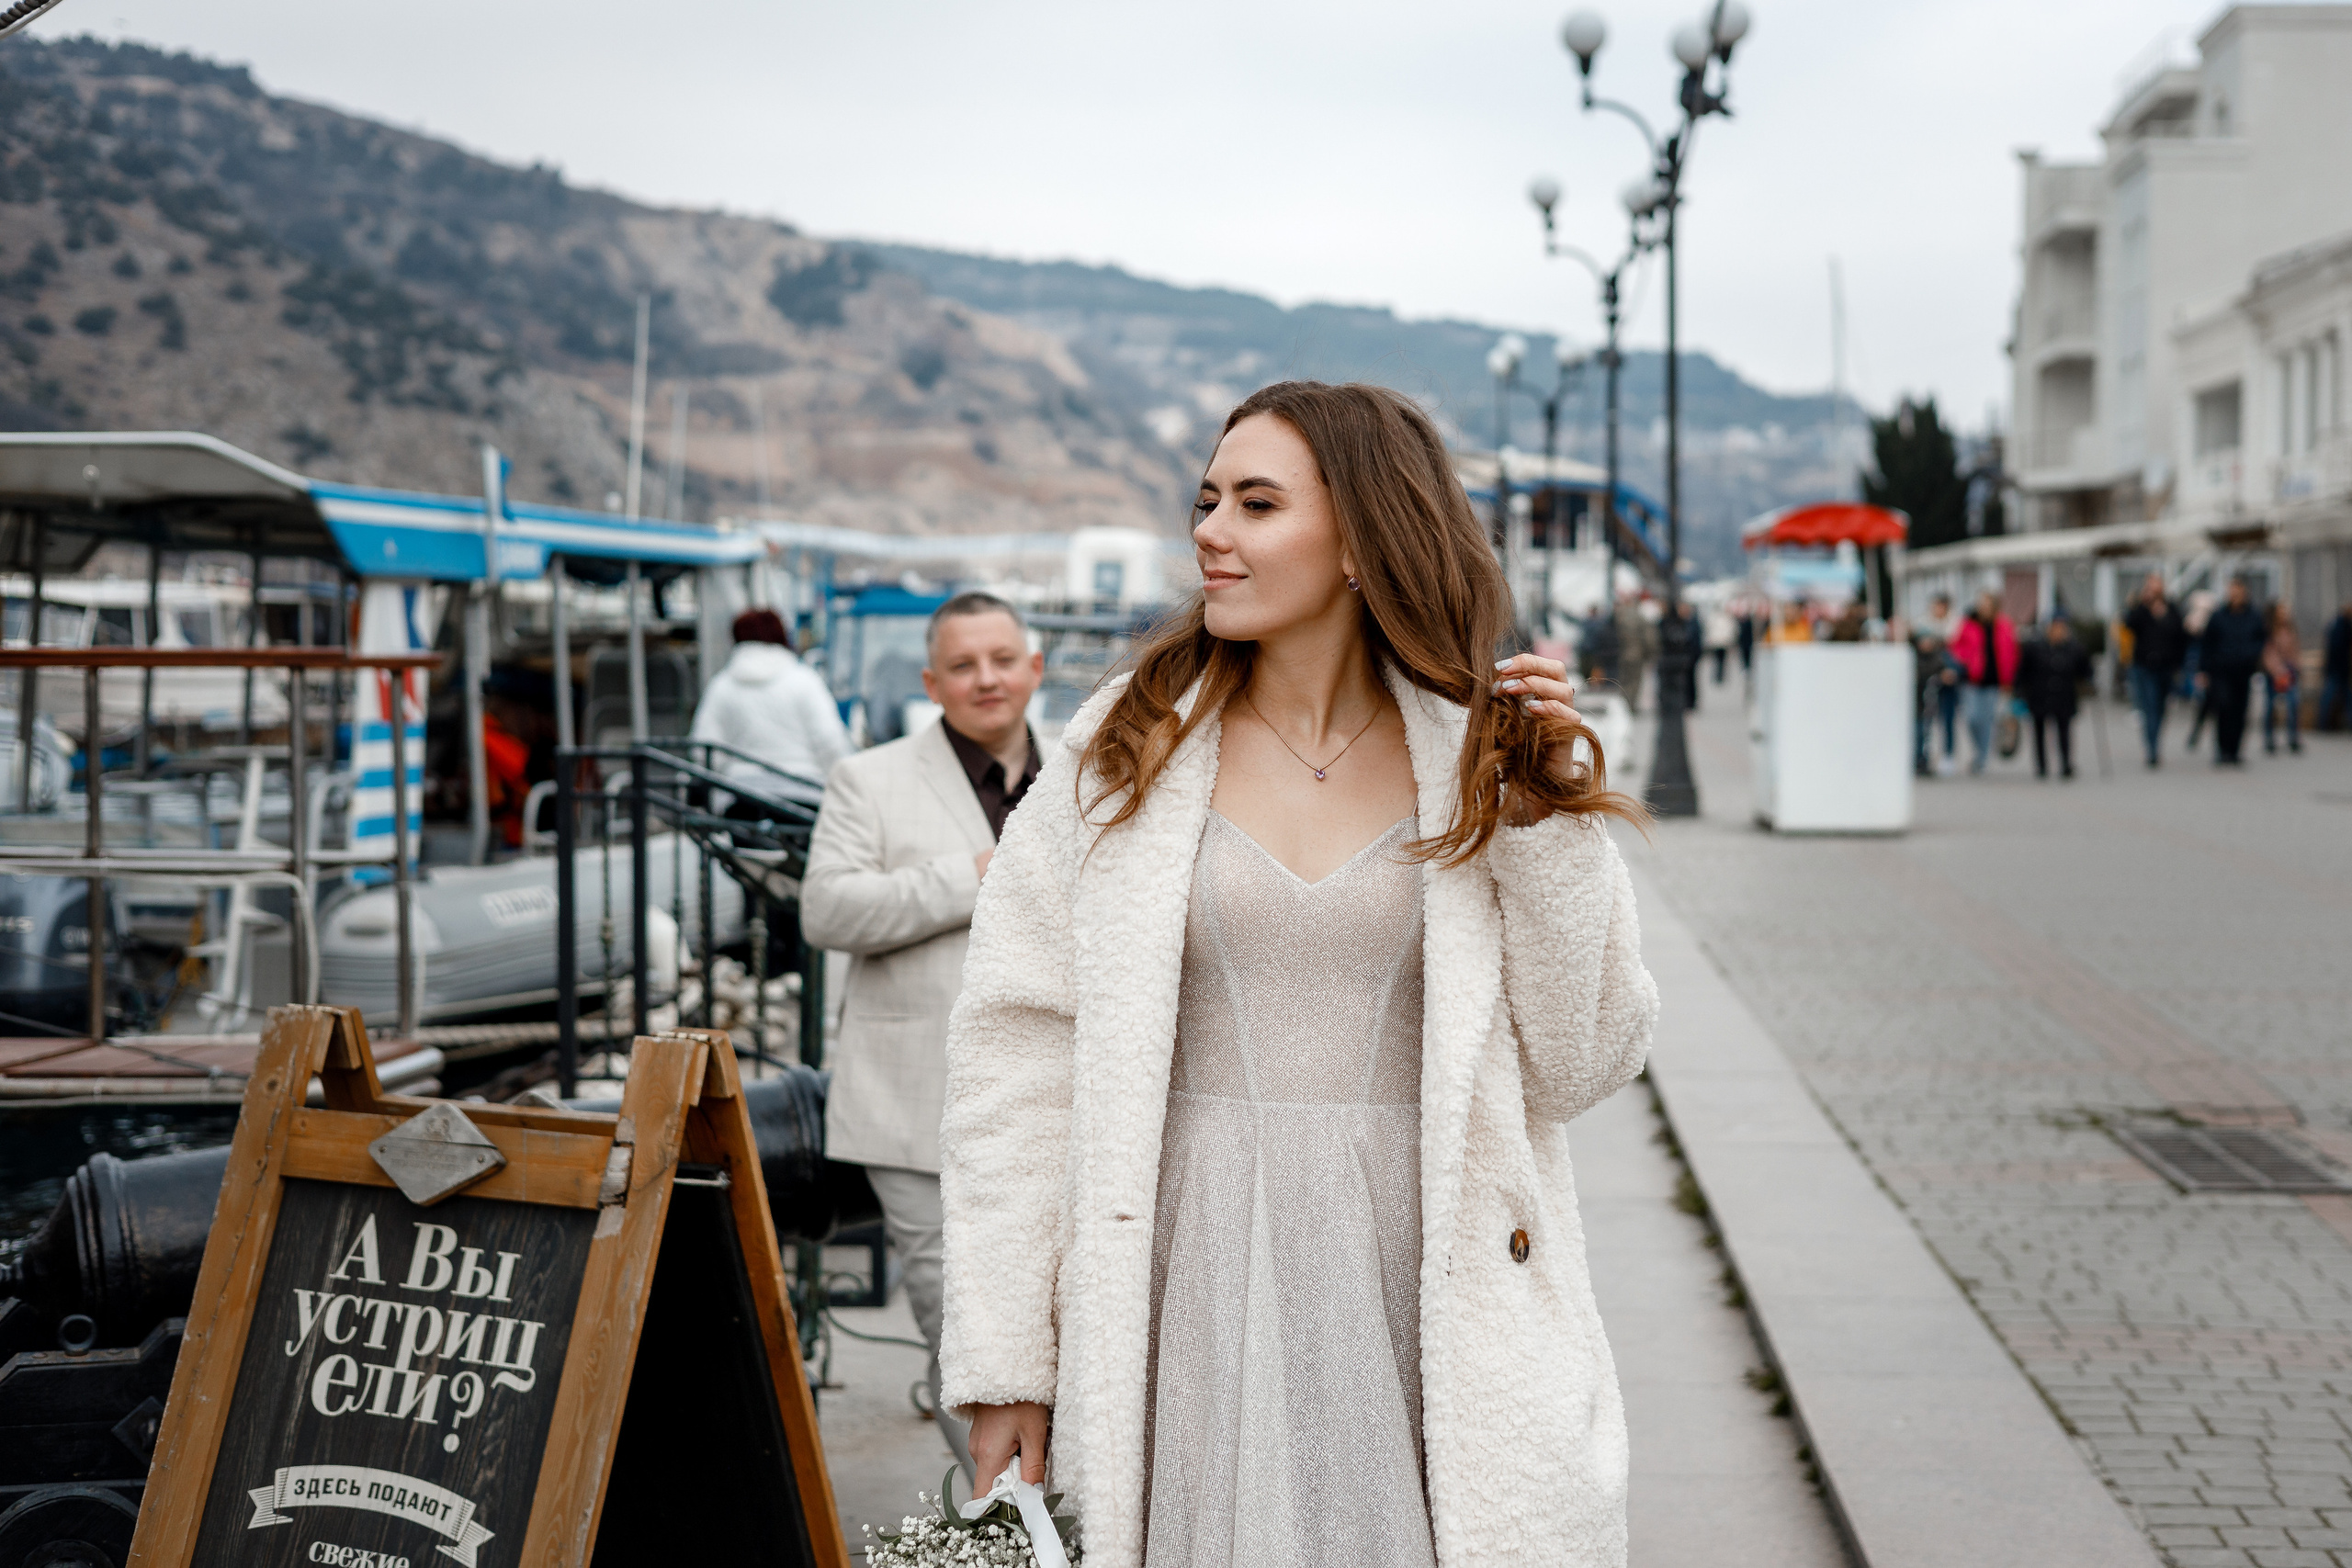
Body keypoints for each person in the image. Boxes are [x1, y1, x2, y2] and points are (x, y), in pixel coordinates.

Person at [940, 382, 1657, 1568]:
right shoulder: (1127, 742)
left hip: (1421, 1273)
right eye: (1208, 498)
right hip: (1179, 1267)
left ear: (1366, 536)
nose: (1211, 529)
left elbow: (1584, 1057)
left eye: (1257, 502)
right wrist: (1009, 1357)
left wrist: (1542, 823)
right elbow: (1016, 1051)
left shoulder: (1477, 749)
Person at [800, 590, 1046, 1484]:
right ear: (931, 680)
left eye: (1001, 659)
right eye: (964, 665)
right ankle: (1020, 1530)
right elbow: (826, 908)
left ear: (1034, 669)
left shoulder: (1086, 776)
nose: (986, 679)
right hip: (914, 1108)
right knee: (960, 1332)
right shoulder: (869, 778)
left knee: (1054, 1335)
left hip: (1053, 1107)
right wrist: (971, 875)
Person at [689, 608, 853, 794]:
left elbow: (704, 752)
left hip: (742, 798)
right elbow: (831, 743)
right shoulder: (805, 681)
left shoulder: (722, 686)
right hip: (804, 793)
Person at [2196, 577, 2267, 766]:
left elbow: (2260, 640)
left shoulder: (2253, 616)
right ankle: (2222, 750)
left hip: (2243, 671)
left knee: (2239, 711)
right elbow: (2207, 644)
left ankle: (2235, 751)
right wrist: (2203, 670)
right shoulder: (2219, 616)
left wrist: (2251, 655)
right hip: (2221, 670)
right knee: (2224, 708)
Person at [1946, 590, 2018, 773]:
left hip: (1994, 680)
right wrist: (1966, 661)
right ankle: (1979, 750)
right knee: (1971, 717)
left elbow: (2011, 652)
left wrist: (2009, 679)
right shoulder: (1968, 623)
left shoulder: (2003, 625)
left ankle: (1982, 758)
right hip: (1971, 679)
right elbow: (1955, 647)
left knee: (1987, 720)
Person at [2121, 573, 2188, 767]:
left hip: (2167, 667)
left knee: (2161, 708)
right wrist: (2142, 604)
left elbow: (2180, 635)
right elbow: (2129, 624)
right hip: (2145, 666)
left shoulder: (2172, 608)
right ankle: (2152, 749)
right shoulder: (2141, 609)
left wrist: (2179, 664)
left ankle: (2155, 740)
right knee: (2149, 706)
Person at [2017, 616, 2089, 779]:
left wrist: (2090, 680)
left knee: (2064, 731)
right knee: (2039, 731)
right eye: (2055, 627)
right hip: (2039, 695)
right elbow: (2023, 671)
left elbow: (2084, 670)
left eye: (2062, 628)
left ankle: (2066, 764)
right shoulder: (2034, 647)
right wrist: (2020, 692)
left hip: (2064, 696)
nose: (2058, 631)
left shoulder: (2074, 648)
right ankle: (2041, 766)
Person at [1924, 593, 1962, 766]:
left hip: (1948, 676)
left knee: (1947, 717)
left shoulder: (1956, 625)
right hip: (1930, 676)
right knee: (1928, 716)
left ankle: (1948, 753)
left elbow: (1959, 653)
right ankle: (1927, 752)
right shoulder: (1924, 624)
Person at [2261, 601, 2302, 754]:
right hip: (2274, 673)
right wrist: (2277, 669)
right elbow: (2268, 653)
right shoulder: (2270, 630)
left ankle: (2293, 737)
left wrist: (2297, 666)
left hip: (2290, 671)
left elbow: (2295, 650)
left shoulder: (2291, 630)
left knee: (2293, 704)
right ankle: (2269, 738)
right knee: (2271, 706)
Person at [1613, 590, 1657, 712]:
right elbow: (1649, 638)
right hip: (1636, 654)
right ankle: (1631, 705)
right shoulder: (1639, 616)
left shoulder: (1619, 616)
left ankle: (1624, 705)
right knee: (1635, 681)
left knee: (1623, 680)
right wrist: (1650, 653)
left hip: (1621, 653)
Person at [2323, 602, 2352, 732]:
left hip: (2341, 668)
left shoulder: (2342, 624)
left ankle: (2323, 723)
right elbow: (2336, 648)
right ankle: (2322, 723)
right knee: (2330, 696)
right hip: (2337, 668)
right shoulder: (2340, 625)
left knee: (2346, 697)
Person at [1702, 599, 1736, 684]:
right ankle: (1718, 676)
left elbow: (1730, 630)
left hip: (1722, 642)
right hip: (1718, 642)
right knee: (1717, 660)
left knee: (1721, 661)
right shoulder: (1719, 618)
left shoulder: (1724, 618)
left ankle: (1720, 676)